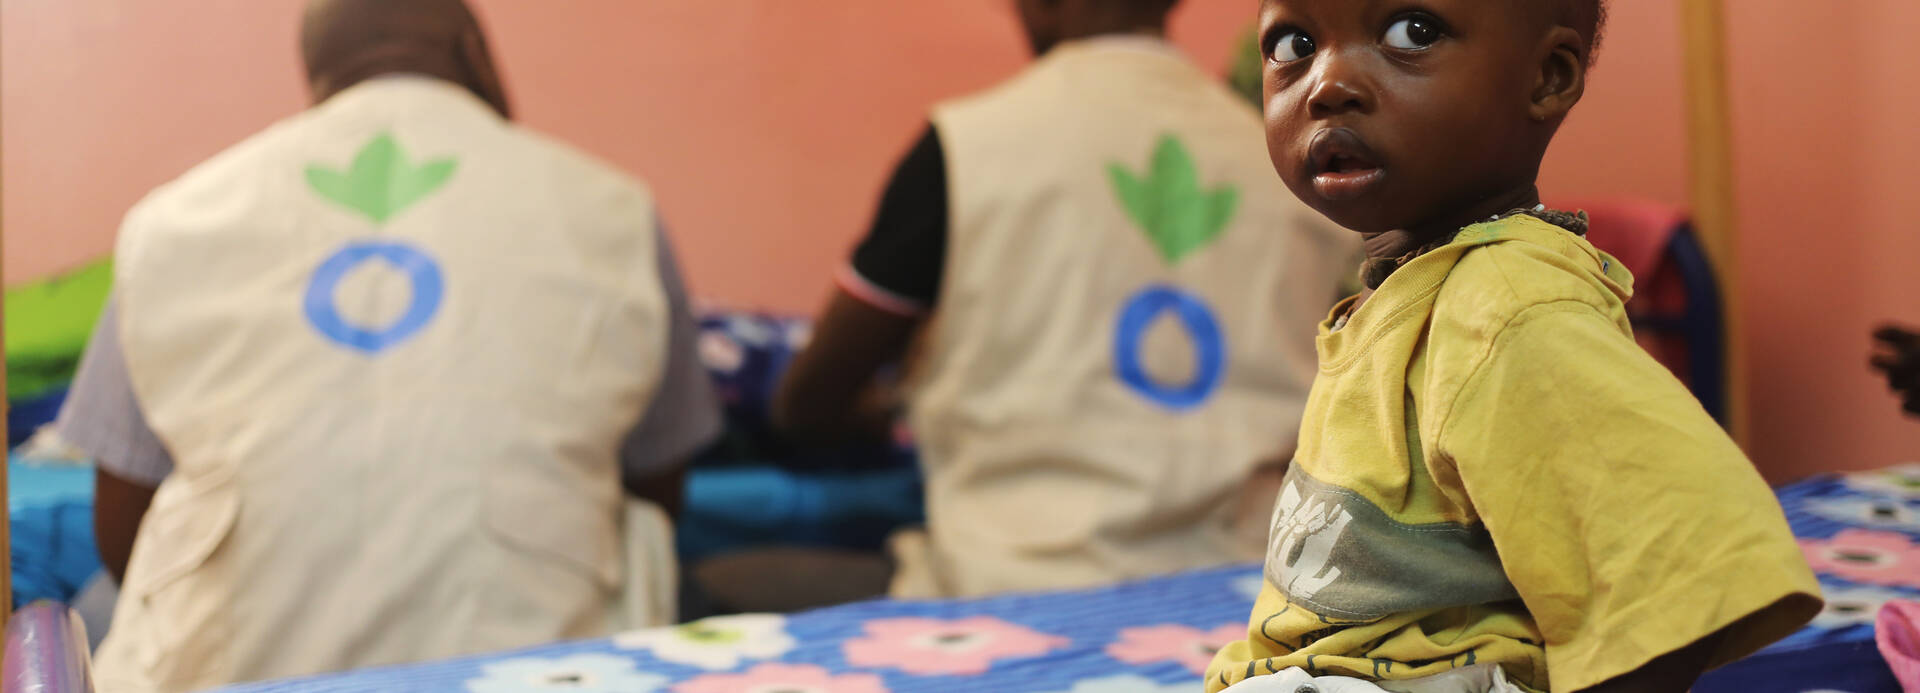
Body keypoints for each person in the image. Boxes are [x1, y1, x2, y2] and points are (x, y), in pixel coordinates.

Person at [56, 0, 720, 689]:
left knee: (100, 611)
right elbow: (656, 494)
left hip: (236, 670)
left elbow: (122, 532)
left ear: (317, 80)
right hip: (542, 667)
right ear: (473, 53)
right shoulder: (613, 210)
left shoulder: (171, 225)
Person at [1207, 0, 1822, 691]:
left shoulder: (1506, 306)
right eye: (1294, 43)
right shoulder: (1423, 289)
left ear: (1547, 78)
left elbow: (1682, 557)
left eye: (1411, 32)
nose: (1328, 83)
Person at [773, 0, 1357, 599]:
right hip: (1250, 588)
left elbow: (808, 402)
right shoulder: (1292, 161)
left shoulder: (966, 145)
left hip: (1013, 585)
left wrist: (894, 409)